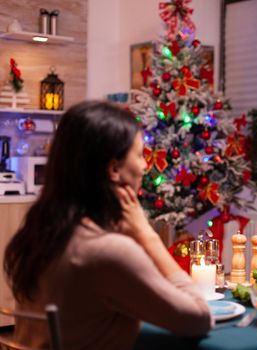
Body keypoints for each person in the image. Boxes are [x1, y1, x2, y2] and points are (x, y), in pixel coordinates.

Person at [3, 101, 212, 349]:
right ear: (114, 168)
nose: (146, 166)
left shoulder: (41, 229)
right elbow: (198, 318)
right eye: (139, 155)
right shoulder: (106, 250)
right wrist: (147, 235)